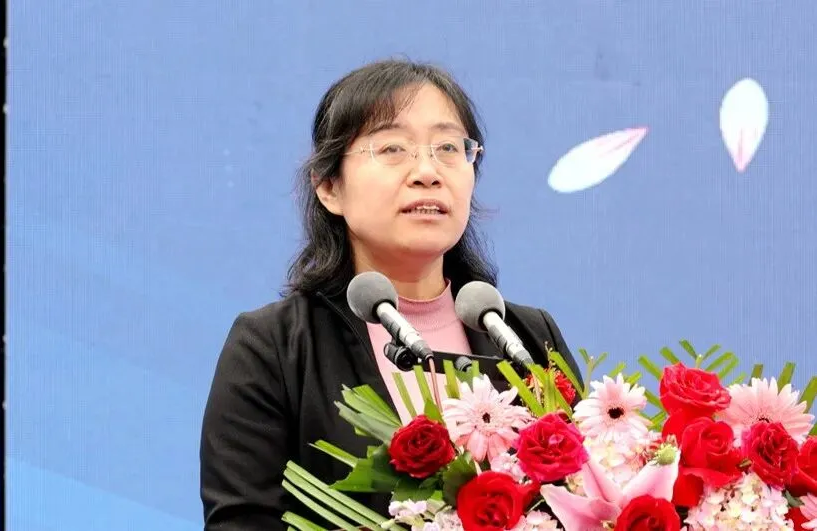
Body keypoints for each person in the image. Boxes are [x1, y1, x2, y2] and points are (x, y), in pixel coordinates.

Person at [199, 58, 582, 530]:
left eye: (448, 147)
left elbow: (585, 496)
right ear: (329, 187)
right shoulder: (275, 347)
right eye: (393, 148)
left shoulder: (526, 336)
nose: (427, 171)